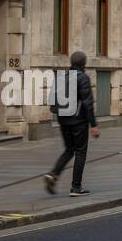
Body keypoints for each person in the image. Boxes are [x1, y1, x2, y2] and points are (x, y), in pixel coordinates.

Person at [43, 52, 99, 197]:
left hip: (63, 119)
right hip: (78, 121)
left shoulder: (61, 77)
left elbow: (52, 99)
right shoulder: (83, 78)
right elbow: (87, 103)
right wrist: (93, 125)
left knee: (69, 149)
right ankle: (76, 187)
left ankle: (53, 173)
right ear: (84, 64)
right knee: (80, 152)